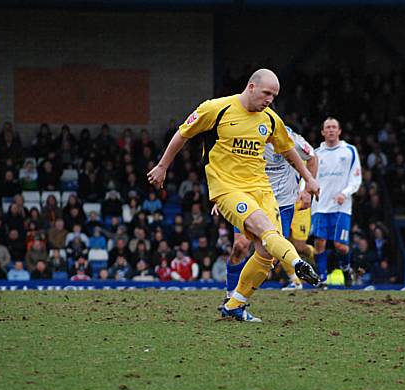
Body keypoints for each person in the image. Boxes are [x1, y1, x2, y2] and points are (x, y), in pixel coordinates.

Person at [148, 68, 320, 322]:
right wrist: (162, 166)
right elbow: (183, 133)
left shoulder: (270, 120)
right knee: (264, 232)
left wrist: (308, 179)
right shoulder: (215, 109)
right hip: (228, 189)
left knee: (266, 252)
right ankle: (297, 264)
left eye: (274, 95)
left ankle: (235, 305)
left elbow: (288, 150)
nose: (270, 99)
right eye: (266, 93)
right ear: (251, 87)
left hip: (262, 190)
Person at [221, 127, 317, 299]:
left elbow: (312, 158)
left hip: (282, 203)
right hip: (251, 198)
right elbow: (227, 165)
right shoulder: (244, 135)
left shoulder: (289, 137)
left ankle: (239, 299)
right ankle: (230, 296)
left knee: (271, 258)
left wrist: (307, 190)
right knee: (239, 246)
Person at [311, 117, 362, 287]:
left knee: (340, 245)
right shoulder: (316, 154)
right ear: (323, 132)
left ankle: (346, 268)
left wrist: (345, 193)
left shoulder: (349, 151)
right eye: (328, 127)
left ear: (339, 131)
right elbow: (308, 177)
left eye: (334, 127)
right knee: (319, 242)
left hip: (342, 207)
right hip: (319, 206)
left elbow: (356, 179)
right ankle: (322, 279)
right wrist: (304, 193)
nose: (331, 130)